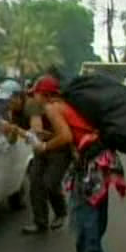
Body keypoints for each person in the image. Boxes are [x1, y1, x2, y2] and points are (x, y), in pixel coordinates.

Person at [19, 75, 73, 234]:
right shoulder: (35, 104)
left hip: (61, 149)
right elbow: (36, 125)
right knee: (35, 182)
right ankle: (40, 222)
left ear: (47, 95)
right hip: (42, 147)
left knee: (50, 183)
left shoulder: (59, 107)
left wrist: (45, 142)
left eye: (37, 93)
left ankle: (61, 212)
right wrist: (35, 136)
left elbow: (65, 136)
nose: (34, 96)